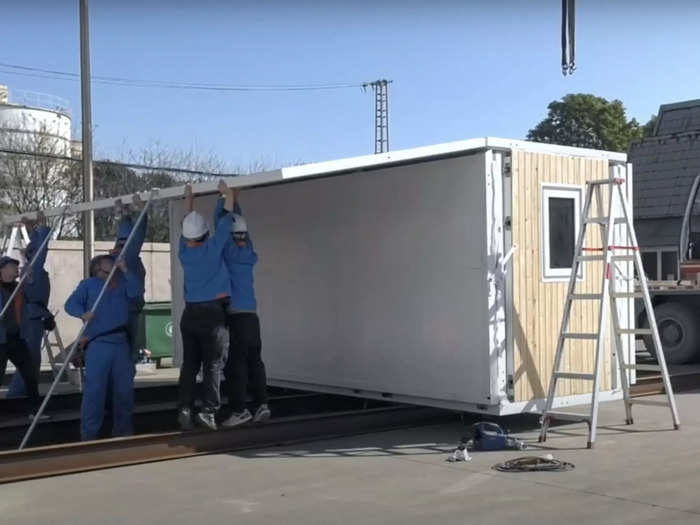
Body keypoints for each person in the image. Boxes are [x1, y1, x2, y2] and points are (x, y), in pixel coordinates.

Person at [65, 254, 143, 441]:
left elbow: (137, 294)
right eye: (108, 264)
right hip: (98, 343)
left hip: (121, 342)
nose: (112, 265)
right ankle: (89, 435)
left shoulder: (123, 282)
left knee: (124, 391)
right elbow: (70, 304)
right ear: (97, 269)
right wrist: (82, 314)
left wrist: (125, 270)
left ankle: (123, 431)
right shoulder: (88, 285)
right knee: (95, 391)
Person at [177, 180, 233, 431]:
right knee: (212, 364)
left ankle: (185, 408)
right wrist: (227, 194)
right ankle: (208, 412)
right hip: (212, 315)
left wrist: (189, 197)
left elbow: (188, 221)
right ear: (204, 233)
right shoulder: (213, 248)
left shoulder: (183, 252)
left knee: (190, 364)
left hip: (189, 315)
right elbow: (227, 218)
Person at [214, 188, 270, 427]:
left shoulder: (228, 251)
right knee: (255, 362)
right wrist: (234, 200)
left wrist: (222, 198)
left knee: (236, 364)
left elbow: (220, 221)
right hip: (252, 316)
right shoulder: (248, 250)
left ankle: (239, 410)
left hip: (236, 316)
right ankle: (262, 405)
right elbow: (236, 224)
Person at [7, 212, 53, 398]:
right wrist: (38, 229)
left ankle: (21, 393)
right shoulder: (30, 271)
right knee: (30, 358)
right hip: (29, 318)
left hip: (33, 317)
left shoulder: (33, 271)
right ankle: (17, 394)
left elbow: (38, 251)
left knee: (31, 358)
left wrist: (35, 230)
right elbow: (38, 251)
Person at [111, 194, 147, 362]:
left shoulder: (127, 259)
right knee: (125, 350)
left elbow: (132, 238)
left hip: (127, 307)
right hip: (126, 308)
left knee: (126, 350)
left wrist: (128, 214)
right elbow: (134, 237)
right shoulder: (124, 259)